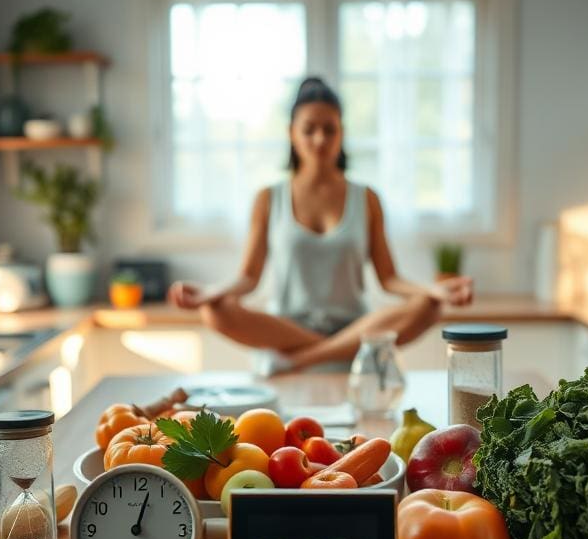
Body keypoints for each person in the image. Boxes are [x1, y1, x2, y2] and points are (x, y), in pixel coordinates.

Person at [168, 77, 473, 374]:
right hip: (286, 331)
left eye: (330, 129)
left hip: (354, 326)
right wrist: (209, 292)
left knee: (429, 306)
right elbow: (248, 277)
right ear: (291, 133)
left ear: (342, 133)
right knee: (213, 310)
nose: (320, 139)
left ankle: (299, 361)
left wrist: (434, 290)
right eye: (309, 129)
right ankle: (340, 351)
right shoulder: (268, 198)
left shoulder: (367, 198)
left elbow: (390, 278)